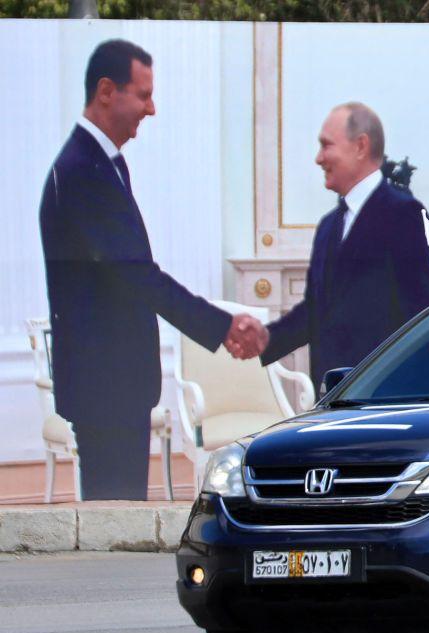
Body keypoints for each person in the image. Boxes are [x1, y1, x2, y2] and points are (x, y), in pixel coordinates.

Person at [39, 39, 268, 500]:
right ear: (107, 91)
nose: (152, 108)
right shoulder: (85, 169)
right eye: (143, 95)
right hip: (104, 386)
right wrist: (221, 325)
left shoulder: (102, 164)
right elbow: (137, 274)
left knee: (118, 516)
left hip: (111, 383)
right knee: (115, 525)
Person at [260, 102, 429, 389]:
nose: (319, 158)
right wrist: (262, 341)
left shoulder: (404, 215)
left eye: (326, 146)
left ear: (360, 146)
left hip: (385, 402)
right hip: (332, 400)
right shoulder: (328, 227)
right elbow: (316, 312)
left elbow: (422, 315)